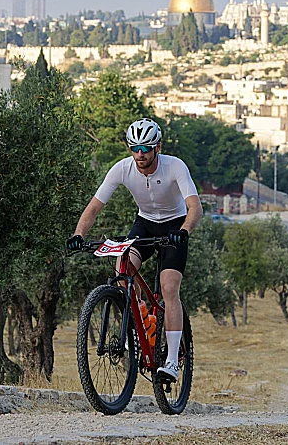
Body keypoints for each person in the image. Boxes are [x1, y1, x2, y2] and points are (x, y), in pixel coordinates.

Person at [67, 118, 203, 384]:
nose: (140, 154)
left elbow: (195, 208)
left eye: (146, 149)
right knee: (123, 267)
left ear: (157, 147)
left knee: (169, 287)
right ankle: (141, 324)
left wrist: (184, 231)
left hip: (175, 226)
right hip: (145, 224)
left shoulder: (175, 166)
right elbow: (94, 208)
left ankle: (172, 361)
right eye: (135, 148)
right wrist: (78, 235)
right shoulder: (122, 169)